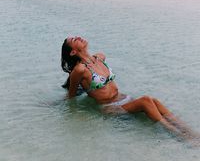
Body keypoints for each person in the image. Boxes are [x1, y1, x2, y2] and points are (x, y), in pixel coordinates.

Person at [61, 36, 198, 140]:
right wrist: (69, 111)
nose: (78, 37)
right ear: (73, 52)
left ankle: (189, 131)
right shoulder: (79, 70)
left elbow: (101, 55)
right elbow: (71, 95)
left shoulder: (99, 58)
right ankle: (178, 135)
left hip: (125, 99)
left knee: (154, 101)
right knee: (145, 100)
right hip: (110, 107)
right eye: (74, 39)